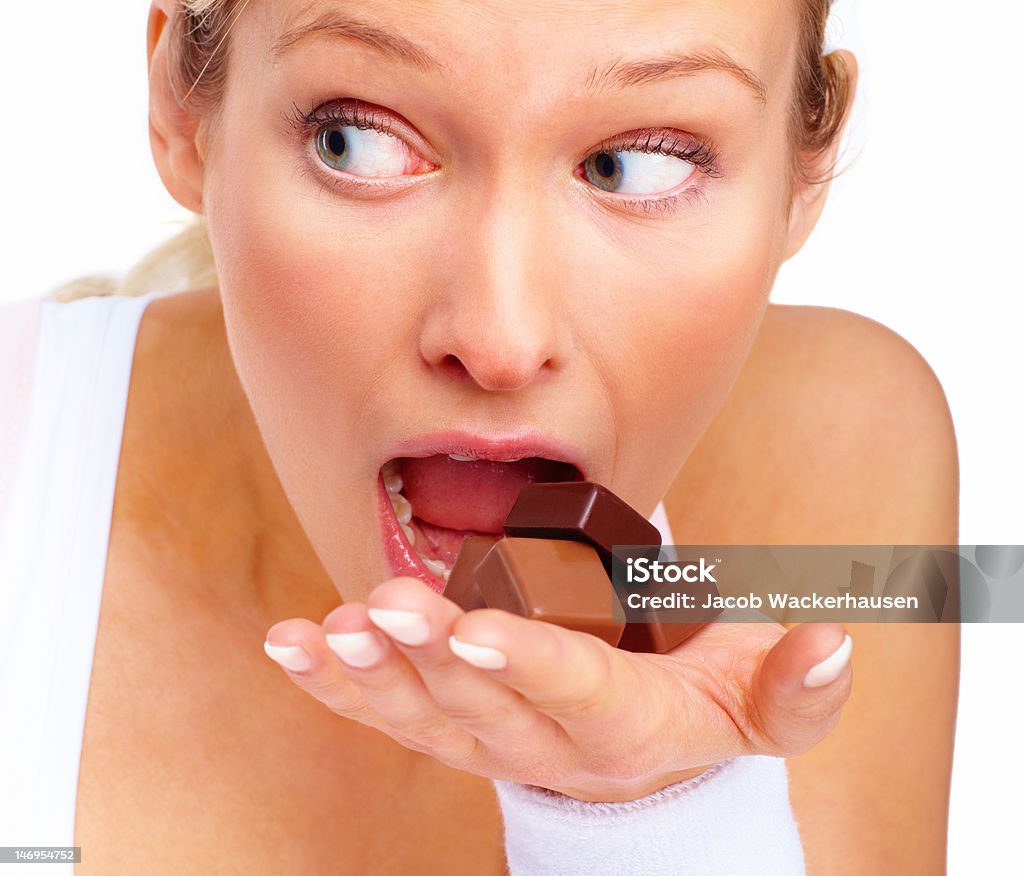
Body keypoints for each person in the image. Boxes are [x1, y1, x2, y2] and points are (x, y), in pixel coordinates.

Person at [0, 0, 959, 872]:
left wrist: (652, 814)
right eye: (355, 142)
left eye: (638, 163)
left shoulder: (852, 456)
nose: (501, 340)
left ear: (804, 174)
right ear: (182, 115)